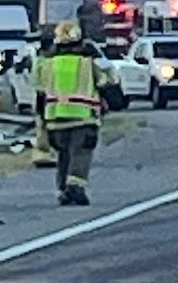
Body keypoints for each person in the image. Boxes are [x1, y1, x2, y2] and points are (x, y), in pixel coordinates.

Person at [39, 20, 116, 206]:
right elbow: (106, 83)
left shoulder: (46, 64)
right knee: (81, 153)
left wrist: (42, 120)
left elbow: (39, 92)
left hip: (55, 120)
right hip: (83, 118)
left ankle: (63, 188)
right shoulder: (87, 63)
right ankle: (75, 187)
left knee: (64, 155)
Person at [30, 31, 58, 169]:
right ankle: (46, 154)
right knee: (47, 126)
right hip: (46, 96)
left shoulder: (39, 60)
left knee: (42, 126)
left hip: (41, 96)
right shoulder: (47, 61)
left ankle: (43, 153)